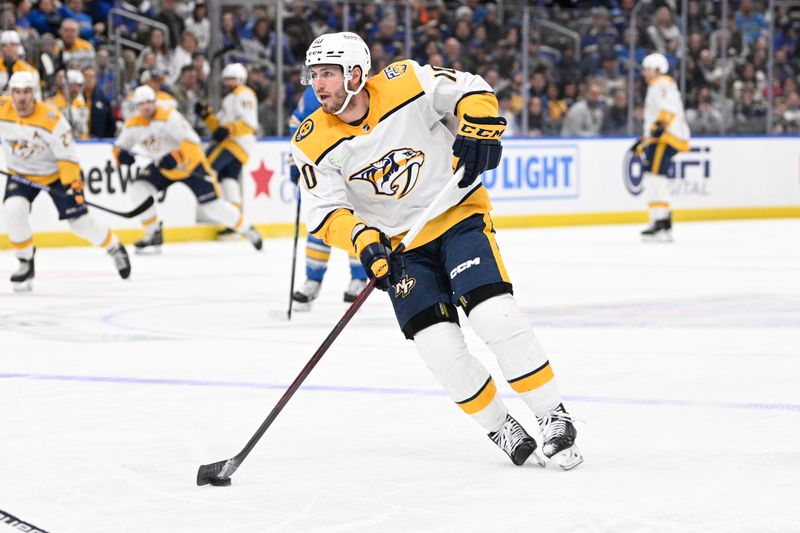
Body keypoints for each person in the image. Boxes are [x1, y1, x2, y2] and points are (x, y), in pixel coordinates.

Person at [290, 32, 582, 469]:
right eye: (313, 75)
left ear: (355, 73)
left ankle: (551, 415)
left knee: (493, 314)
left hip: (456, 214)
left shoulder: (404, 81)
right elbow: (327, 212)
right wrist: (365, 242)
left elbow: (471, 89)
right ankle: (500, 425)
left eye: (327, 74)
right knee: (438, 347)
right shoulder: (310, 141)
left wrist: (478, 126)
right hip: (401, 247)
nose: (318, 84)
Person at [1, 71, 130, 291]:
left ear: (35, 94)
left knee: (80, 223)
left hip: (56, 174)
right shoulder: (2, 109)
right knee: (13, 209)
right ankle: (25, 261)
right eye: (17, 92)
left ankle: (114, 247)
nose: (21, 98)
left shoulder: (52, 119)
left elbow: (68, 157)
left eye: (26, 92)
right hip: (21, 173)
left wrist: (73, 186)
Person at [113, 85, 263, 253]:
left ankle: (248, 230)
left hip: (191, 165)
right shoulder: (133, 123)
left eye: (149, 102)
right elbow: (119, 146)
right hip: (164, 168)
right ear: (136, 106)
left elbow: (192, 141)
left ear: (155, 101)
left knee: (212, 206)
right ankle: (153, 232)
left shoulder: (169, 116)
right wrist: (121, 156)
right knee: (139, 188)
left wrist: (176, 157)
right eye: (142, 103)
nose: (146, 106)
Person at [289, 85, 367, 309]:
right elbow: (296, 123)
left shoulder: (358, 89)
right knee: (321, 224)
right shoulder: (312, 93)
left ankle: (359, 278)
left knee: (357, 223)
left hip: (355, 168)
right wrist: (295, 160)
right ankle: (312, 281)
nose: (321, 78)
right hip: (324, 169)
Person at [632, 53, 690, 242]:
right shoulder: (661, 84)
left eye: (647, 69)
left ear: (657, 69)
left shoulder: (661, 84)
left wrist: (656, 131)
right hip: (662, 138)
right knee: (655, 177)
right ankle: (661, 222)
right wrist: (646, 138)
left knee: (655, 178)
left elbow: (668, 110)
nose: (644, 73)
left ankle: (660, 223)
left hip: (665, 138)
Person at [195, 63, 257, 239]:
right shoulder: (230, 98)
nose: (229, 82)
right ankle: (235, 221)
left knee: (207, 167)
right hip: (237, 144)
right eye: (227, 79)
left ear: (241, 79)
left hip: (235, 143)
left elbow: (247, 123)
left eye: (233, 79)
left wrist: (229, 130)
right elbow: (219, 128)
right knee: (228, 178)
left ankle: (214, 207)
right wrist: (207, 115)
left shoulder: (244, 94)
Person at [45, 69, 90, 139]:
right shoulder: (51, 104)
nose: (75, 89)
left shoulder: (81, 105)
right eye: (72, 85)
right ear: (64, 85)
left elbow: (83, 130)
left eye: (78, 85)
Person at [0, 31, 41, 100]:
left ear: (19, 47)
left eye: (13, 45)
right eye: (5, 45)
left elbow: (36, 98)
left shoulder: (30, 71)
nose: (9, 48)